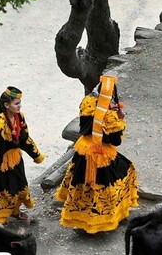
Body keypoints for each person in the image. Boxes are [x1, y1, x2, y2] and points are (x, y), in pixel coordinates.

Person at [55, 75, 139, 234]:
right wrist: (120, 118)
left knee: (81, 184)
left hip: (84, 151)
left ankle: (80, 220)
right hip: (102, 157)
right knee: (121, 175)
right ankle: (104, 220)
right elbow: (116, 141)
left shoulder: (87, 103)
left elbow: (85, 125)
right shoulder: (109, 117)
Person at [0, 86, 45, 224]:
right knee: (2, 190)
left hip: (16, 160)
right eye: (16, 103)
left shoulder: (20, 117)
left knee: (19, 186)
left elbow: (24, 138)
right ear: (6, 105)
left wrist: (36, 154)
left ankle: (15, 211)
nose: (20, 106)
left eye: (20, 103)